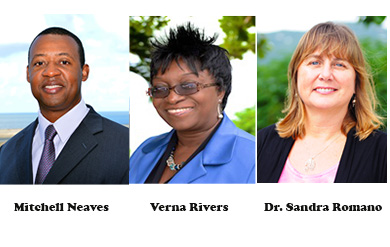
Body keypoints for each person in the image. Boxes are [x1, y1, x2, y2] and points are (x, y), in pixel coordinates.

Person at [257, 22, 386, 183]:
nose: (326, 75)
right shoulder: (260, 143)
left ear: (356, 82)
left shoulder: (382, 152)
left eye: (339, 64)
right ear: (296, 76)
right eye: (314, 62)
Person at [0, 27, 129, 184]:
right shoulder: (7, 152)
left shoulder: (123, 146)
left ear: (84, 72)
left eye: (64, 62)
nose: (51, 72)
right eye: (39, 63)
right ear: (28, 74)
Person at [129, 23, 255, 183]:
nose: (172, 98)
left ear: (220, 91)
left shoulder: (252, 158)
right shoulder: (145, 150)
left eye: (188, 86)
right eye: (160, 88)